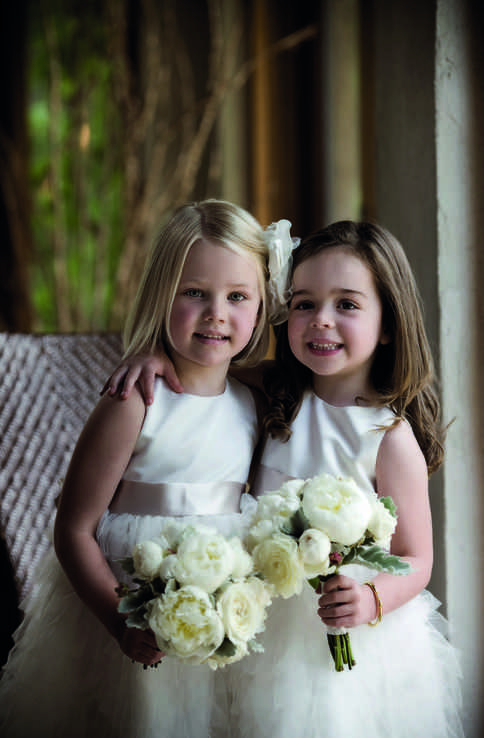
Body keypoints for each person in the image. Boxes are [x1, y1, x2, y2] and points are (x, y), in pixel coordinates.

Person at [104, 220, 464, 738]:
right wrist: (156, 354)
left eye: (346, 304)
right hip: (259, 625)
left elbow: (418, 557)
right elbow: (204, 367)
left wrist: (371, 599)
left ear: (388, 322)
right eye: (302, 303)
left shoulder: (387, 435)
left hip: (336, 633)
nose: (320, 321)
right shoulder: (275, 392)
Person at [0, 199, 291, 738]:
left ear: (263, 304)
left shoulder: (256, 399)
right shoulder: (135, 399)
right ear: (162, 295)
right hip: (132, 617)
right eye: (194, 293)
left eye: (237, 296)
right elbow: (74, 529)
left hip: (223, 618)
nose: (216, 313)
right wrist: (120, 622)